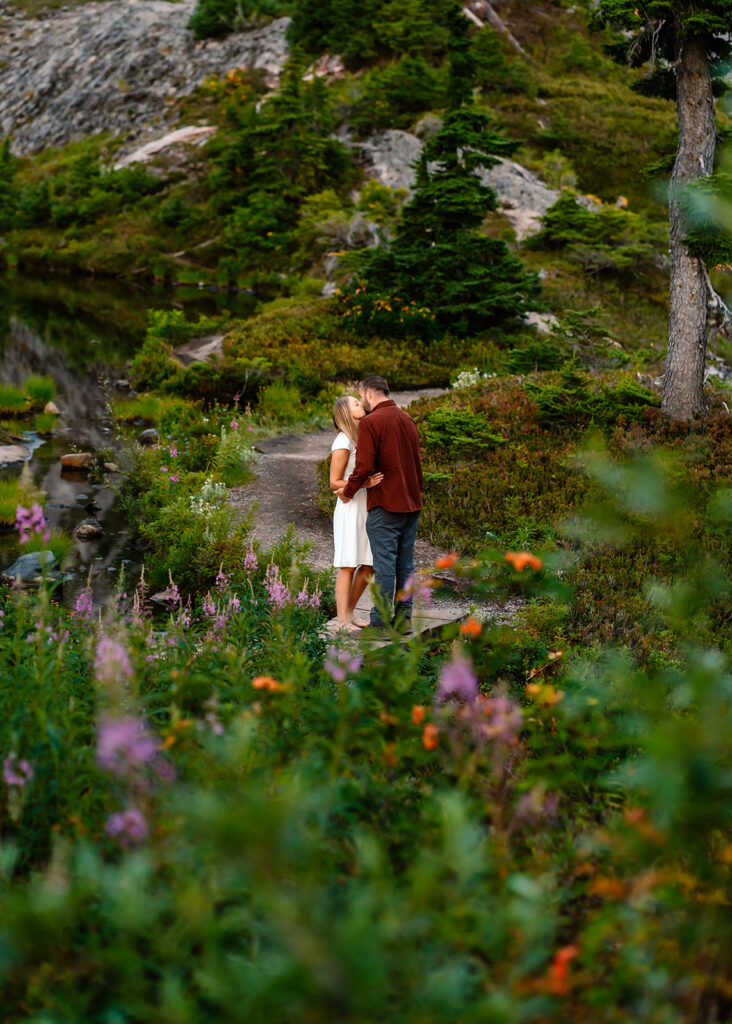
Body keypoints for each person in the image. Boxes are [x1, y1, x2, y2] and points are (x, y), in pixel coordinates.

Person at [337, 375, 423, 631]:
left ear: (367, 393)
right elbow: (417, 465)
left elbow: (364, 467)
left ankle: (381, 621)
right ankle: (405, 618)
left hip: (386, 504)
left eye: (360, 396)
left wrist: (348, 492)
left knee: (384, 565)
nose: (361, 401)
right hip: (411, 503)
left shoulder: (371, 422)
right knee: (406, 564)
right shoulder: (407, 419)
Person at [330, 395, 383, 630]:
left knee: (369, 564)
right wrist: (364, 484)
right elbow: (334, 482)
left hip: (367, 506)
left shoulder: (364, 436)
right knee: (348, 564)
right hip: (350, 507)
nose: (360, 403)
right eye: (355, 403)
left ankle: (350, 613)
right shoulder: (343, 440)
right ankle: (342, 619)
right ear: (345, 413)